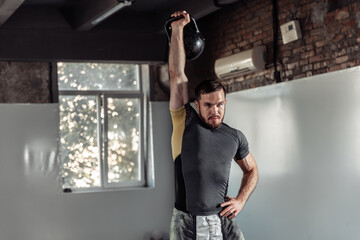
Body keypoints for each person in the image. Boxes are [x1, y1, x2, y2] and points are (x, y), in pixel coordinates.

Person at [168, 10, 259, 240]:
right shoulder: (184, 121)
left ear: (225, 102)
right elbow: (176, 75)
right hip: (187, 223)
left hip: (222, 220)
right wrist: (178, 30)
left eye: (219, 104)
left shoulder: (235, 137)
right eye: (208, 105)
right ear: (197, 105)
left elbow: (251, 170)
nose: (215, 110)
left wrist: (240, 200)